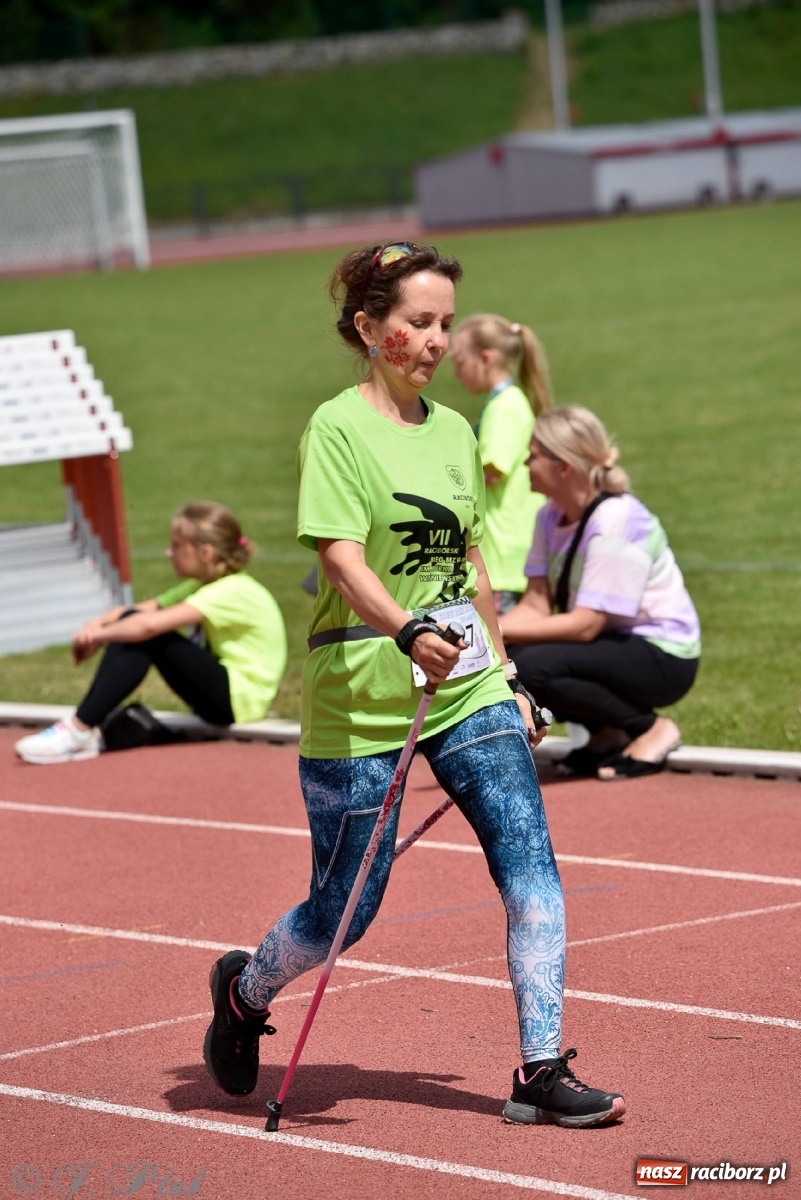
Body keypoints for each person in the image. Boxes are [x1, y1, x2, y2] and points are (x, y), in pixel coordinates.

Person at [202, 242, 626, 1128]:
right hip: (361, 689)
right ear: (368, 328)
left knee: (531, 869)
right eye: (416, 323)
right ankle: (244, 993)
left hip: (463, 684)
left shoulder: (455, 432)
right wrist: (405, 629)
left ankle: (539, 1069)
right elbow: (339, 554)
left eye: (442, 324)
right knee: (341, 915)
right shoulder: (336, 428)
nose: (434, 341)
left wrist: (504, 672)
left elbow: (468, 557)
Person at [499, 406, 701, 781]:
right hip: (614, 644)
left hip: (664, 655)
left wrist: (501, 635)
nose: (525, 463)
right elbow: (536, 604)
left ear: (565, 467)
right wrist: (490, 636)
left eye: (533, 455)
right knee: (510, 659)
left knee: (530, 665)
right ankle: (606, 733)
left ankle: (650, 729)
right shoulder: (549, 515)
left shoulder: (615, 518)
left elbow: (586, 626)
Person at [14, 501, 287, 765]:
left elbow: (148, 625)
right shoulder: (202, 585)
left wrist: (100, 636)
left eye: (177, 546)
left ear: (205, 553)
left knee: (146, 634)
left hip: (239, 702)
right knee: (135, 625)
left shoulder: (233, 590)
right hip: (226, 696)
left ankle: (79, 728)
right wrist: (94, 626)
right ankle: (81, 726)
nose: (169, 553)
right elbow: (130, 612)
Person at [450, 314, 553, 614]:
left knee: (497, 651)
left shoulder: (505, 407)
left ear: (486, 358)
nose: (457, 374)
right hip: (512, 551)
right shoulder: (507, 403)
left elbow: (492, 472)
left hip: (502, 554)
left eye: (460, 363)